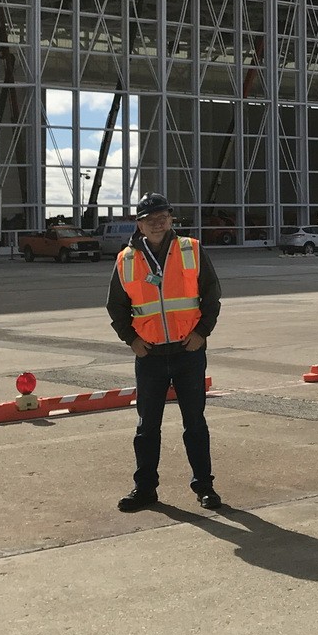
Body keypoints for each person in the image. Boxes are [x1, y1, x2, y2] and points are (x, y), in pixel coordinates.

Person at [107, 192, 223, 512]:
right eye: (150, 219)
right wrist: (131, 339)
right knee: (147, 427)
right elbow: (116, 306)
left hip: (188, 351)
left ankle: (204, 486)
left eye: (163, 217)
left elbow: (211, 295)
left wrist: (202, 333)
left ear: (171, 218)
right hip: (150, 356)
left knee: (195, 424)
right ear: (139, 225)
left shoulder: (191, 250)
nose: (157, 223)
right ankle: (145, 489)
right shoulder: (126, 259)